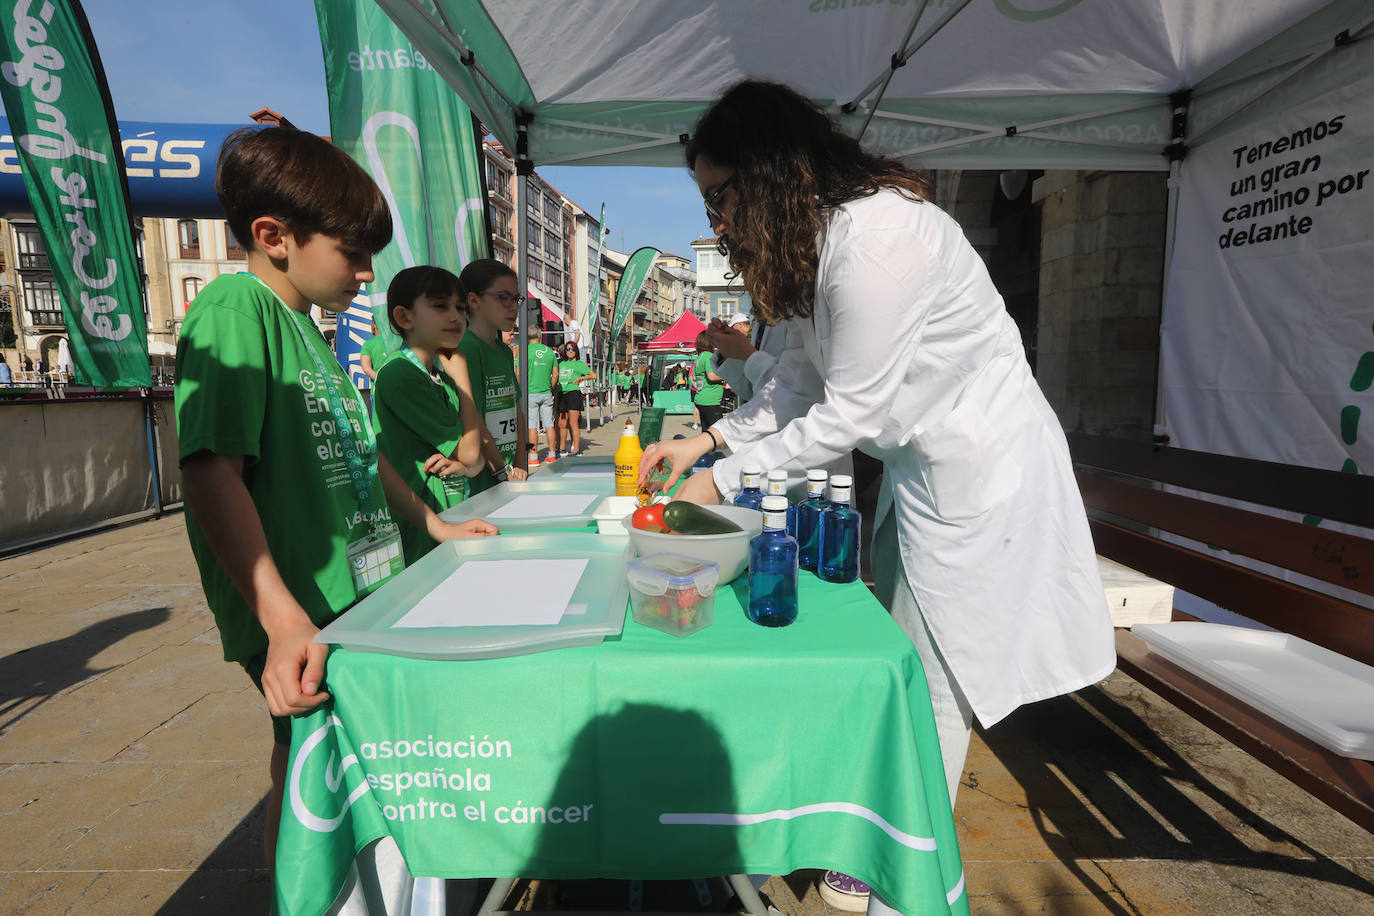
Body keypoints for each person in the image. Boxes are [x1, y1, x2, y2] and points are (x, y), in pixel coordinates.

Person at [639, 80, 1115, 914]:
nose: (715, 219)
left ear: (772, 172)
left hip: (984, 476)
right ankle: (877, 828)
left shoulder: (879, 238)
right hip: (923, 473)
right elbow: (791, 383)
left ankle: (906, 875)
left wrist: (723, 479)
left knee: (937, 675)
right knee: (896, 658)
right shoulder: (810, 244)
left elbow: (848, 413)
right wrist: (708, 441)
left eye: (721, 196)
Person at [175, 126, 498, 868]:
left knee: (338, 770)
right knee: (303, 775)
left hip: (353, 590)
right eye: (352, 253)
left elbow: (364, 453)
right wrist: (281, 617)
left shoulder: (307, 329)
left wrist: (432, 525)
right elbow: (210, 470)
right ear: (273, 235)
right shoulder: (233, 308)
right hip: (299, 605)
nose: (363, 274)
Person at [373, 265, 488, 565]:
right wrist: (464, 382)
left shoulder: (439, 373)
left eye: (460, 308)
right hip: (421, 526)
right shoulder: (401, 374)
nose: (456, 317)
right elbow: (471, 450)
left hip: (452, 513)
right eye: (440, 306)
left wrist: (464, 466)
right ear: (403, 317)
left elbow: (476, 462)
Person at [458, 259, 529, 492]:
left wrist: (520, 463)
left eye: (516, 299)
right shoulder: (466, 348)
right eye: (503, 297)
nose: (513, 307)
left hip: (510, 475)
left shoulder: (505, 351)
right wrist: (502, 470)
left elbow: (516, 410)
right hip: (482, 481)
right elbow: (474, 418)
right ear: (473, 300)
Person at [525, 325, 559, 466]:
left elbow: (518, 372)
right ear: (540, 335)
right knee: (549, 424)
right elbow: (556, 374)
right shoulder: (550, 352)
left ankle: (533, 457)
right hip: (546, 392)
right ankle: (551, 454)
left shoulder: (524, 351)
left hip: (530, 392)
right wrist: (550, 387)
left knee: (532, 426)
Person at [554, 341, 595, 456]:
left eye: (572, 349)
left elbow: (593, 375)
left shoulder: (579, 363)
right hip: (562, 393)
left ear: (576, 351)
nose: (570, 351)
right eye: (567, 349)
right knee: (562, 423)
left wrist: (580, 379)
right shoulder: (560, 364)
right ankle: (561, 448)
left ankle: (576, 449)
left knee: (573, 423)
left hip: (573, 393)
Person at [691, 331, 727, 430]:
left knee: (706, 432)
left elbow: (694, 378)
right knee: (717, 433)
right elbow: (711, 376)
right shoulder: (708, 356)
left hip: (701, 398)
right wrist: (726, 376)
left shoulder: (699, 357)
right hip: (710, 401)